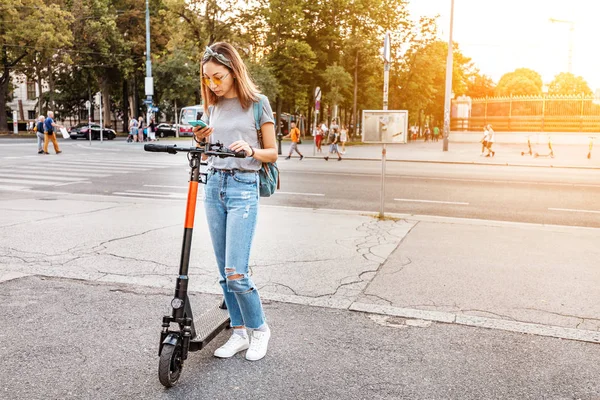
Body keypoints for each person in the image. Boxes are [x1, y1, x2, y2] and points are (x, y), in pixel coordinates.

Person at [192, 42, 277, 361]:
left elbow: (272, 152)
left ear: (233, 71)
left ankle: (260, 329)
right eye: (207, 78)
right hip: (214, 185)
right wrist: (201, 138)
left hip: (243, 185)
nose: (212, 84)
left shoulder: (258, 104)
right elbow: (208, 148)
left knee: (236, 272)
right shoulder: (211, 106)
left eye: (218, 77)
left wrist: (252, 151)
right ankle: (239, 332)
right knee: (222, 271)